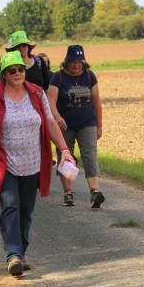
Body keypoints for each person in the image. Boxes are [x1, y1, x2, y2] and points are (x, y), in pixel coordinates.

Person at [0, 51, 75, 276]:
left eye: (20, 69)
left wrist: (65, 149)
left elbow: (50, 122)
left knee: (26, 211)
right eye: (12, 70)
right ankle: (13, 255)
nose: (17, 73)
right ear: (3, 74)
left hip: (33, 163)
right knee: (11, 205)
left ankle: (22, 252)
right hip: (3, 163)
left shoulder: (37, 93)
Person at [47, 45, 105, 208]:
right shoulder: (58, 77)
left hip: (87, 123)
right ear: (67, 61)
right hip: (65, 125)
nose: (76, 65)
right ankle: (68, 193)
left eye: (79, 61)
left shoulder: (89, 76)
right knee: (67, 156)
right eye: (73, 61)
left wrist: (99, 125)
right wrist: (57, 118)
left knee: (90, 155)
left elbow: (96, 102)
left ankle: (94, 192)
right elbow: (50, 100)